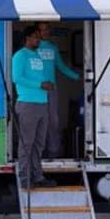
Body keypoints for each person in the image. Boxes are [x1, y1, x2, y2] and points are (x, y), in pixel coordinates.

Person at [12, 26, 57, 188]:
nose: (39, 39)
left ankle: (38, 176)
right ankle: (24, 178)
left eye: (39, 37)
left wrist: (48, 84)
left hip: (42, 103)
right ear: (27, 38)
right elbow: (17, 78)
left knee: (39, 144)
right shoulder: (20, 56)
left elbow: (43, 76)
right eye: (36, 37)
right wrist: (40, 85)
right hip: (28, 104)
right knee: (26, 144)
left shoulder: (38, 56)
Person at [36, 22, 80, 159]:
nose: (45, 32)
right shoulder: (33, 48)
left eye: (47, 29)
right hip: (37, 90)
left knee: (53, 120)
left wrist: (77, 76)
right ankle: (38, 151)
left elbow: (60, 66)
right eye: (42, 30)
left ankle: (53, 151)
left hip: (52, 89)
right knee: (38, 120)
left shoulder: (53, 48)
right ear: (37, 32)